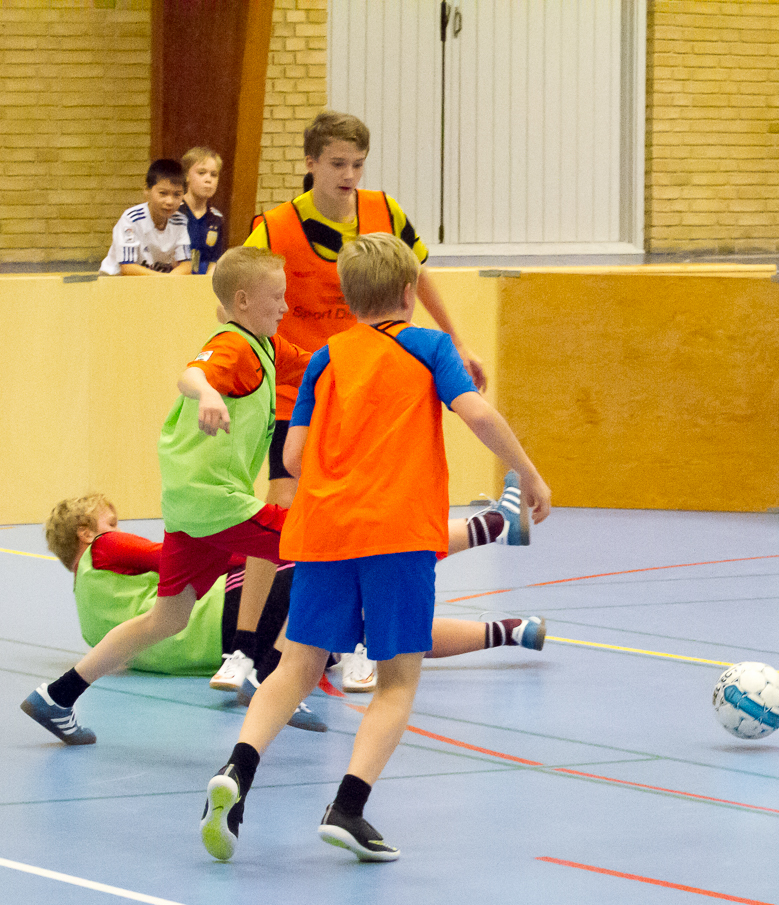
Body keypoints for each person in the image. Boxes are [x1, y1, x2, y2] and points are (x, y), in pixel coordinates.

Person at [200, 232, 551, 864]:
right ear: (410, 293)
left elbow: (293, 457)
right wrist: (526, 472)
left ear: (349, 297)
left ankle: (237, 770)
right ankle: (348, 807)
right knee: (396, 681)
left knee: (295, 666)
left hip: (324, 532)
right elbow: (475, 414)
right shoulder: (429, 347)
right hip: (397, 536)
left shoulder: (326, 358)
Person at [214, 110, 518, 693]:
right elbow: (235, 294)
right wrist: (258, 356)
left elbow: (416, 276)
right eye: (337, 164)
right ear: (310, 163)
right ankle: (243, 650)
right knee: (279, 512)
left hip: (365, 391)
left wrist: (457, 340)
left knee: (362, 517)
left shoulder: (385, 213)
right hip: (302, 390)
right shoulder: (275, 227)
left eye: (357, 164)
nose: (349, 175)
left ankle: (349, 644)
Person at [21, 246, 305, 746]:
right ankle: (275, 673)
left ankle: (57, 695)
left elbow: (320, 365)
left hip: (191, 506)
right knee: (321, 551)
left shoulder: (266, 346)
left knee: (167, 617)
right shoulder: (232, 347)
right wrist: (208, 392)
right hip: (214, 499)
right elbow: (190, 375)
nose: (285, 306)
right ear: (242, 301)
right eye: (277, 297)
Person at [42, 494, 324, 730]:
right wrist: (253, 552)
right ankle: (269, 679)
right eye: (111, 523)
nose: (117, 530)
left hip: (211, 653)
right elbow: (173, 559)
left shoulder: (88, 626)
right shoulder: (104, 545)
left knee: (315, 641)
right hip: (225, 618)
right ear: (85, 532)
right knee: (308, 572)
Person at [99, 159, 192, 276]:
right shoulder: (131, 220)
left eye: (177, 195)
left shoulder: (180, 221)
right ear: (147, 190)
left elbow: (186, 265)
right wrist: (164, 280)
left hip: (156, 279)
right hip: (116, 279)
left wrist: (169, 280)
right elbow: (127, 268)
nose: (170, 201)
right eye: (163, 193)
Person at [180, 147, 225, 276]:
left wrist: (205, 284)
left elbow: (215, 260)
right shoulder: (174, 212)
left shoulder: (217, 218)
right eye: (201, 173)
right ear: (186, 176)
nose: (208, 179)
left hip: (203, 282)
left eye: (213, 175)